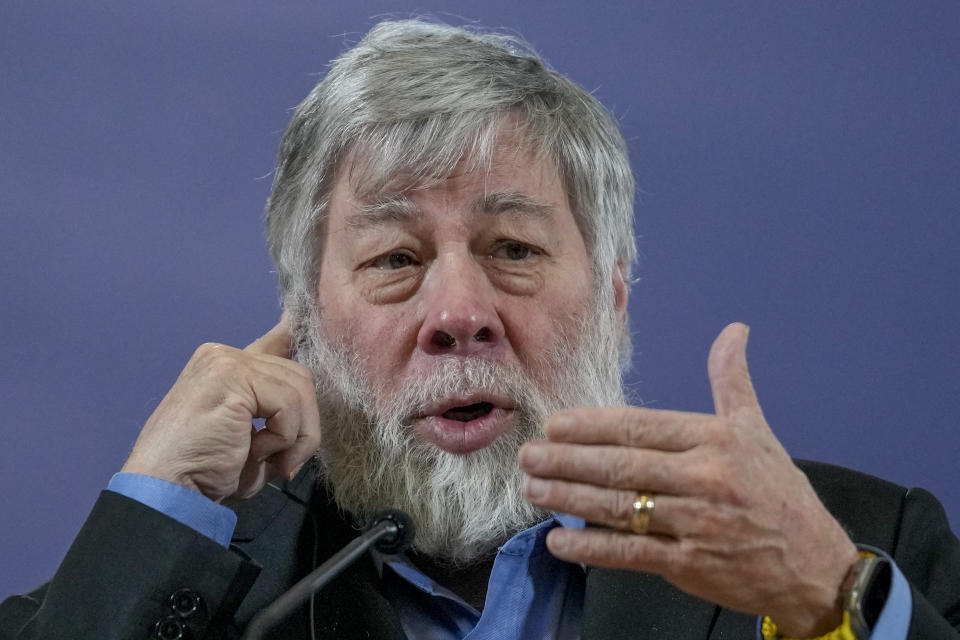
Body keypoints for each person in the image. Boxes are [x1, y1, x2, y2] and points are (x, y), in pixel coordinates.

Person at [2, 19, 958, 640]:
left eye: (513, 249)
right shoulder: (180, 587)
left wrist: (839, 599)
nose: (459, 316)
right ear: (305, 322)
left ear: (615, 296)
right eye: (393, 261)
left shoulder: (868, 544)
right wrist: (159, 510)